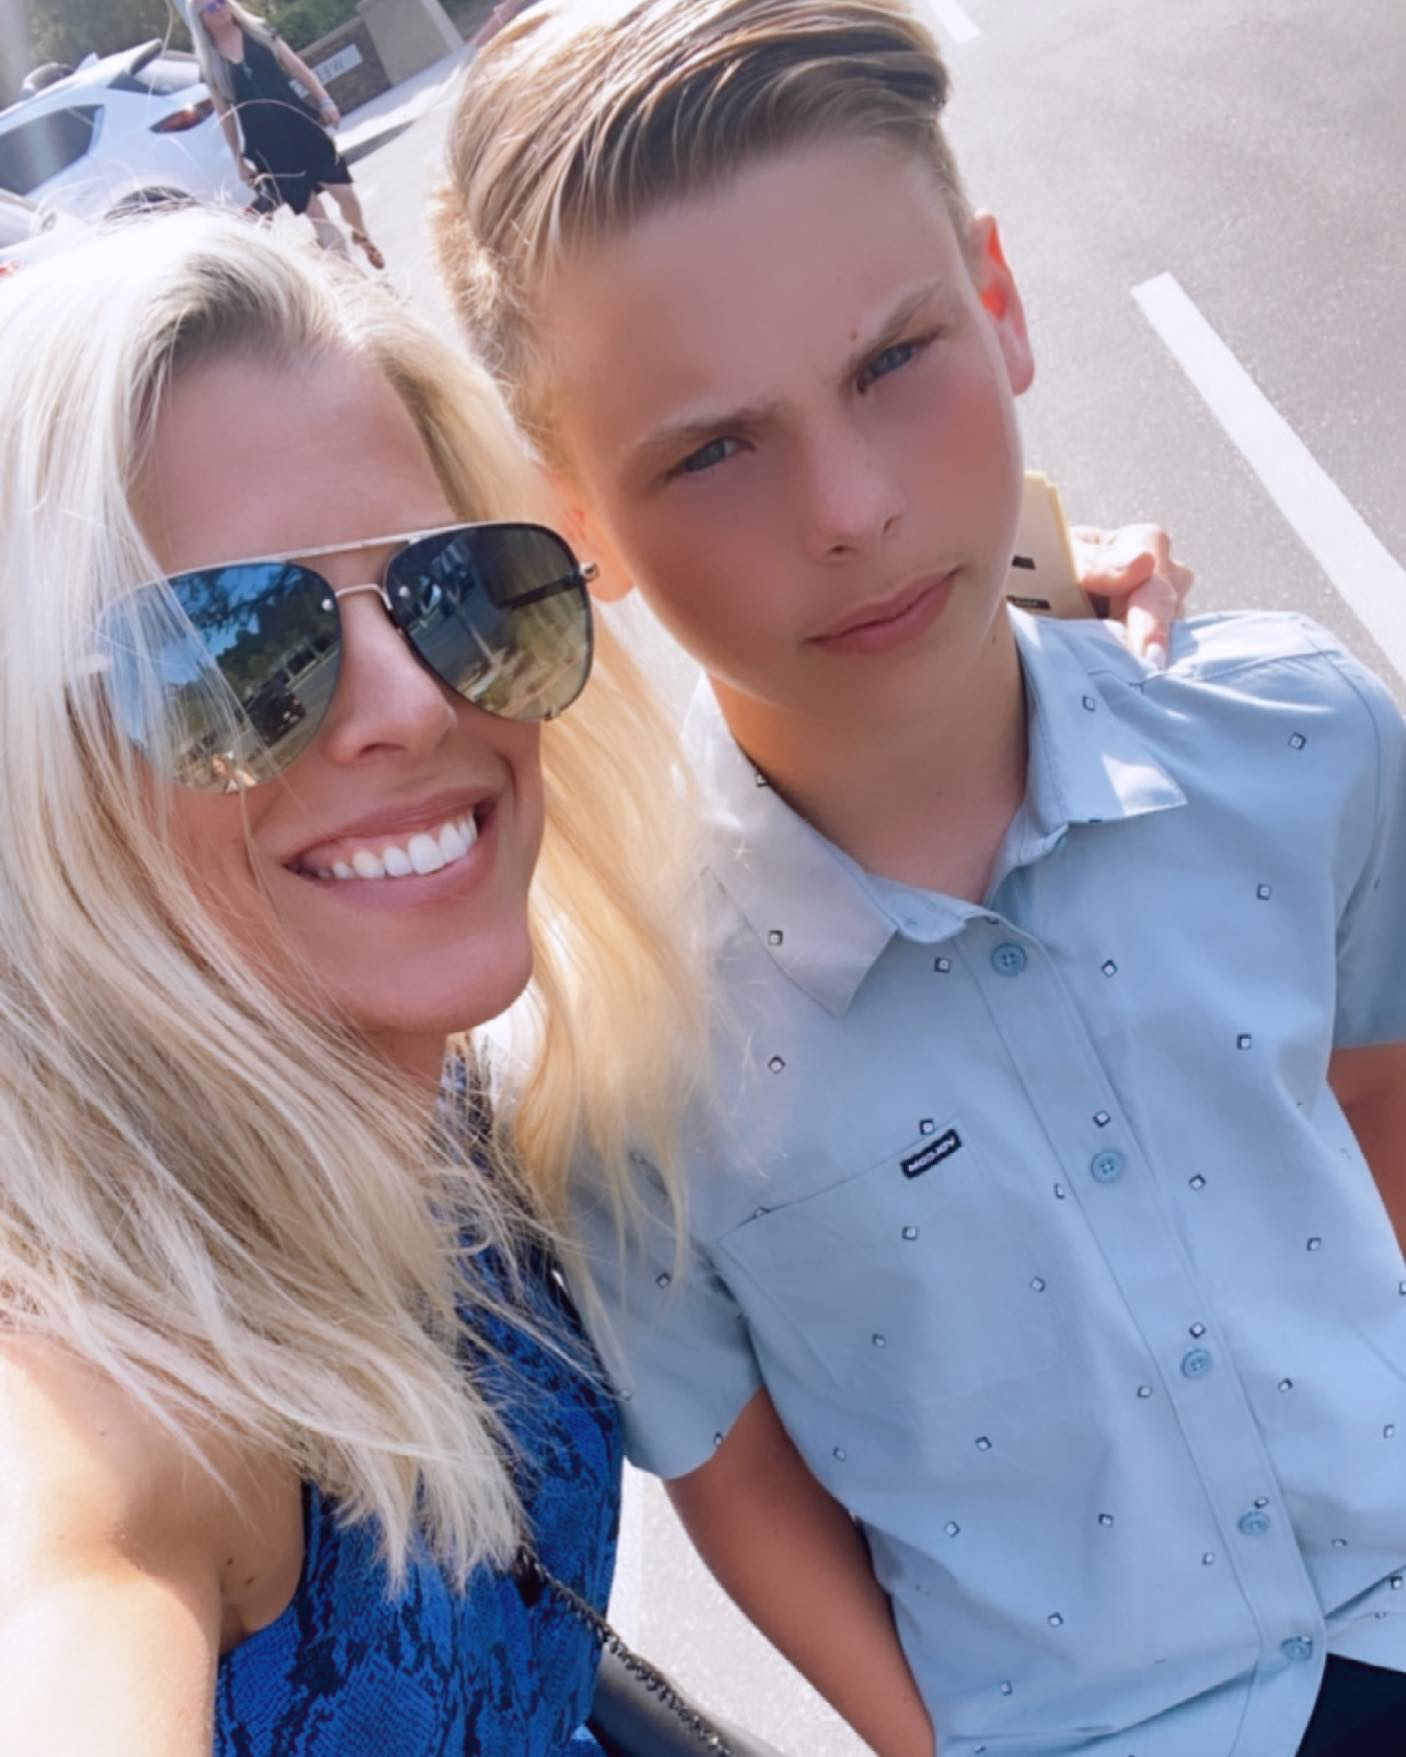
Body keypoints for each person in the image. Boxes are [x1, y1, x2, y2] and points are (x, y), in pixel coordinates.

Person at [434, 3, 1406, 1755]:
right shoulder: (612, 1053)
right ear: (571, 513)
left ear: (998, 299)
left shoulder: (1291, 736)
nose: (851, 504)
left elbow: (1376, 1097)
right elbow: (737, 1471)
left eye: (892, 359)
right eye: (712, 448)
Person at [0, 207, 704, 1756]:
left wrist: (1028, 655)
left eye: (457, 590)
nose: (410, 701)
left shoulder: (440, 1093)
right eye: (231, 657)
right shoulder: (98, 1408)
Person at [188, 0, 387, 268]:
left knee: (344, 193)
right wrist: (238, 160)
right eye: (211, 8)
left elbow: (296, 66)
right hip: (268, 147)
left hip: (300, 126)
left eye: (222, 1)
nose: (220, 8)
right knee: (316, 215)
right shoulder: (210, 65)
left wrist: (325, 100)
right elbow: (225, 115)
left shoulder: (259, 33)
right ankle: (353, 277)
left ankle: (361, 236)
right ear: (201, 20)